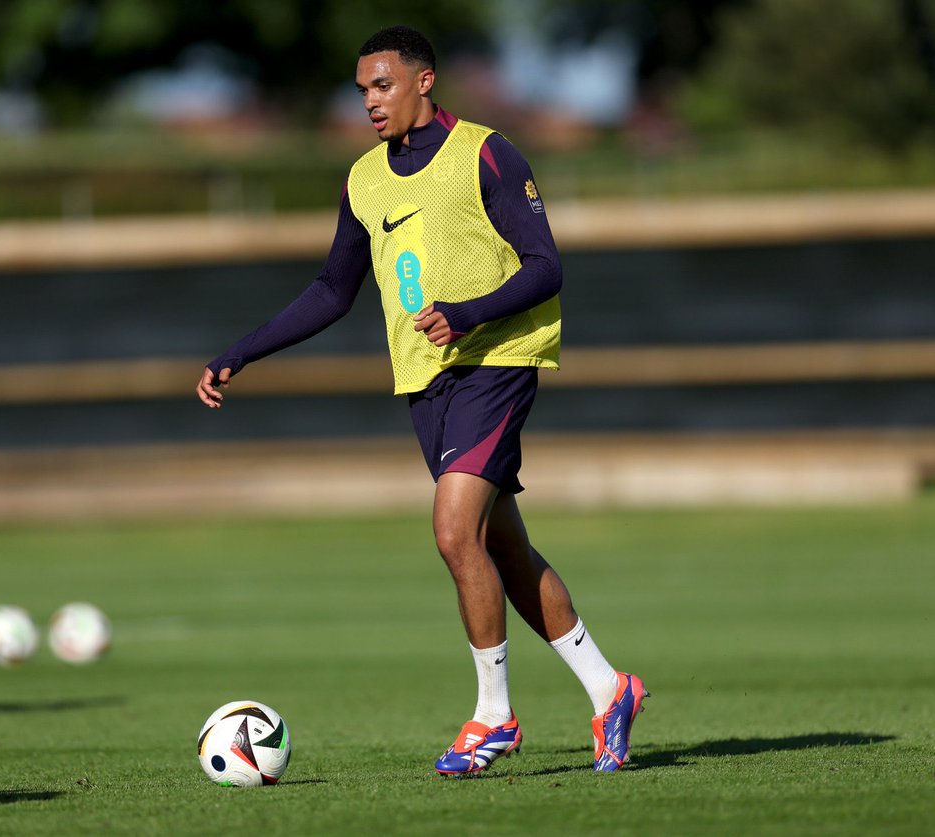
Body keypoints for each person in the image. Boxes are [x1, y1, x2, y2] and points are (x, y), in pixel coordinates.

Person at [197, 25, 647, 775]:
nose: (370, 101)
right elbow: (331, 291)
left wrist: (468, 311)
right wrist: (242, 350)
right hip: (425, 380)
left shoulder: (488, 153)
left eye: (383, 85)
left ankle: (493, 718)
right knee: (499, 544)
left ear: (424, 81)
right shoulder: (364, 180)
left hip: (497, 360)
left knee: (450, 530)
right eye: (362, 90)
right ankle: (610, 689)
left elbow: (546, 267)